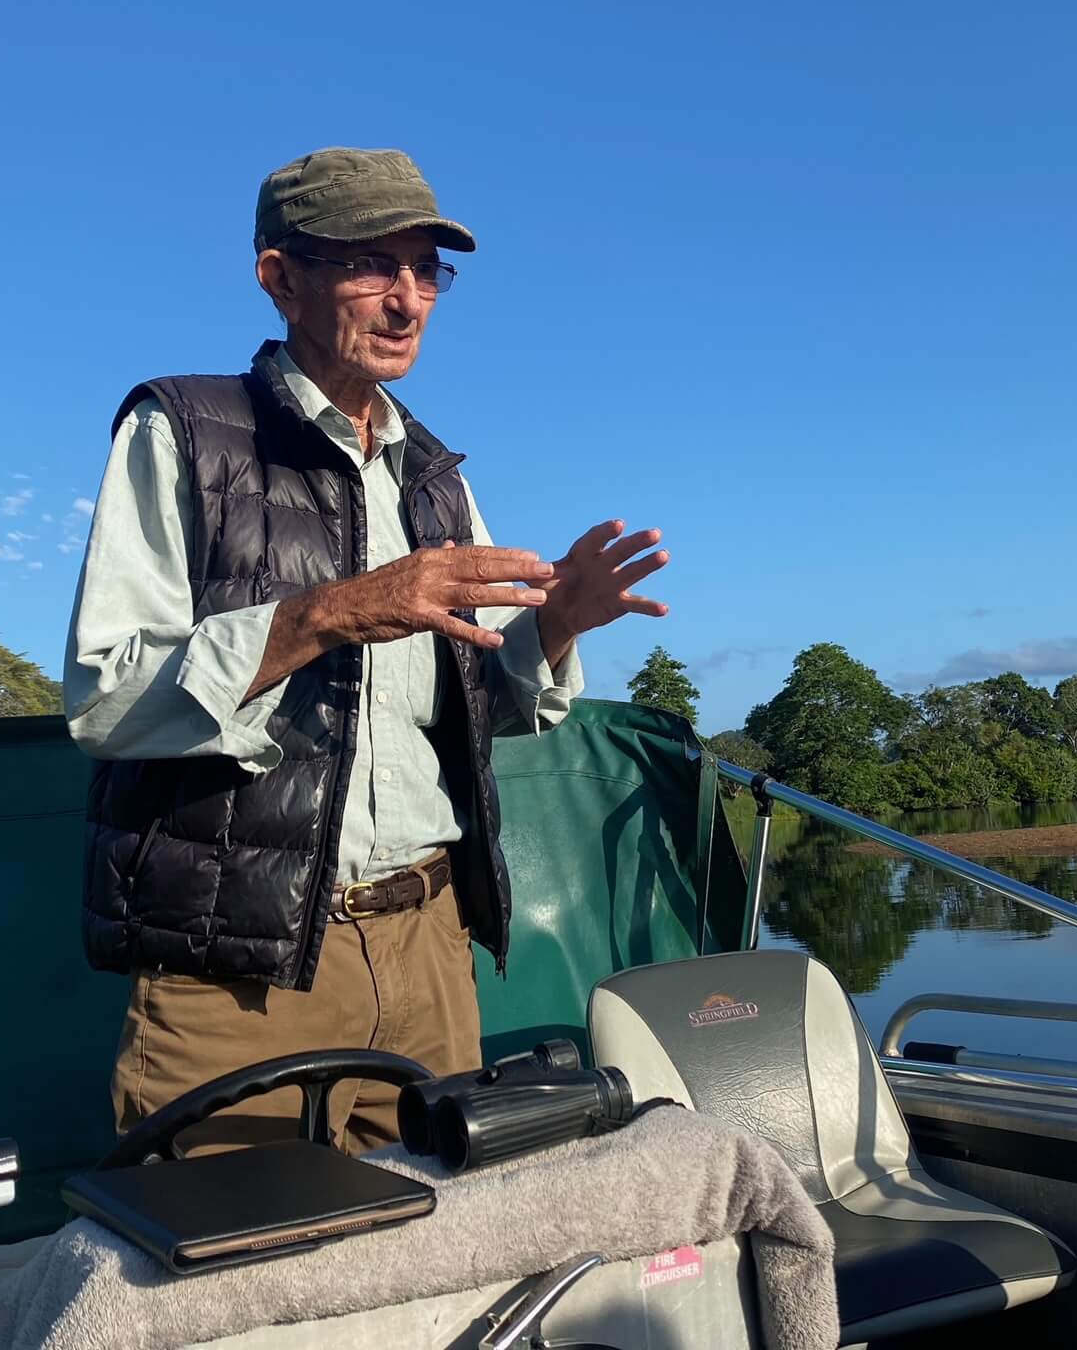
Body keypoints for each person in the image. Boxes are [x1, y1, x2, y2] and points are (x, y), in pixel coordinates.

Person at [63, 146, 669, 1154]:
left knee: (441, 1270)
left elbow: (475, 713)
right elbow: (105, 702)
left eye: (427, 271)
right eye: (370, 266)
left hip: (431, 951)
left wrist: (557, 625)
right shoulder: (183, 431)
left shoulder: (436, 481)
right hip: (237, 976)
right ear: (279, 278)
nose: (408, 301)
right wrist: (333, 612)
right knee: (230, 1276)